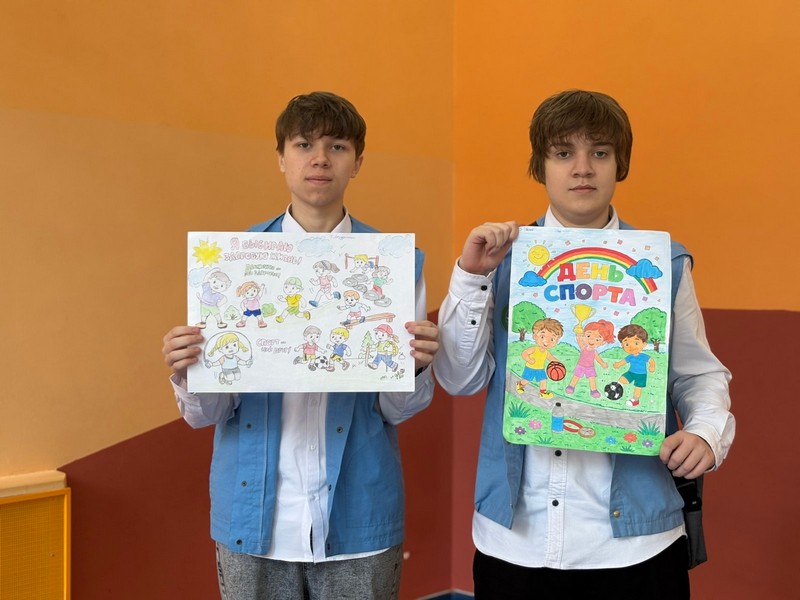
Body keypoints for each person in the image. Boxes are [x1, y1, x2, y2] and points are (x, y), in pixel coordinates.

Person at [433, 90, 734, 599]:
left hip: (636, 546)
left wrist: (706, 433)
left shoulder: (661, 263)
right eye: (562, 152)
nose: (582, 169)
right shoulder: (500, 259)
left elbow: (698, 374)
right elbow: (459, 379)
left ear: (620, 164)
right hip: (515, 541)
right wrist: (470, 277)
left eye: (599, 152)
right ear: (540, 165)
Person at [162, 91, 439, 600]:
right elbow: (208, 415)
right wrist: (188, 373)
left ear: (357, 162)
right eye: (304, 144)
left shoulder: (393, 266)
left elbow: (396, 410)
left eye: (337, 147)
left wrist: (417, 369)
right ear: (281, 158)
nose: (320, 159)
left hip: (359, 519)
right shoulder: (230, 264)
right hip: (254, 521)